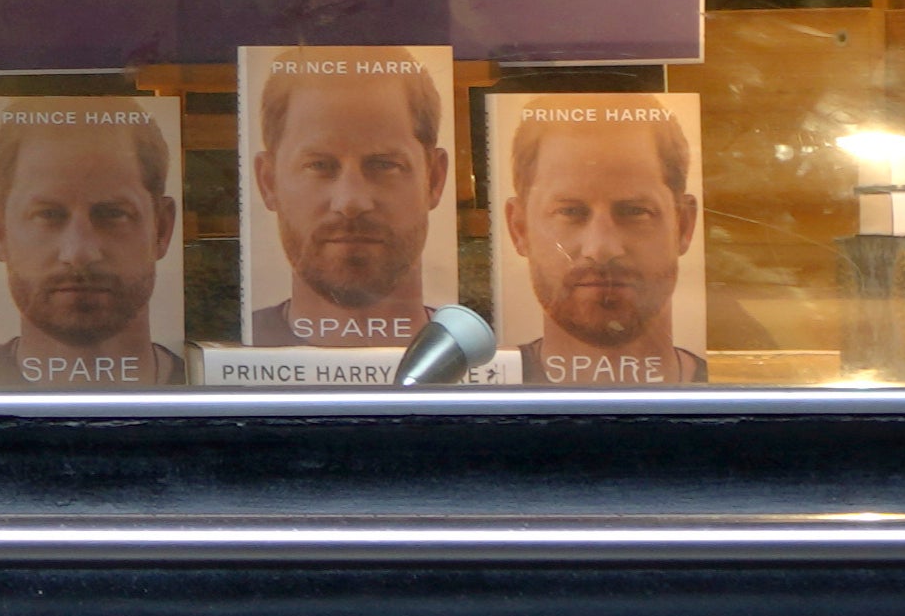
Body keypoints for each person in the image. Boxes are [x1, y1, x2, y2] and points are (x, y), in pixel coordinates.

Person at [0, 103, 187, 388]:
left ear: (162, 228)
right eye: (48, 215)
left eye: (113, 214)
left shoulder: (213, 392)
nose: (80, 252)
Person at [242, 56, 453, 350]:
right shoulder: (234, 345)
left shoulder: (483, 353)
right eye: (318, 165)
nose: (351, 201)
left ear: (435, 178)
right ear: (268, 182)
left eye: (383, 165)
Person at [496, 103, 705, 385]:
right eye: (569, 212)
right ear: (518, 228)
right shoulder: (484, 391)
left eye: (635, 211)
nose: (602, 248)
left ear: (684, 224)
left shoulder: (740, 386)